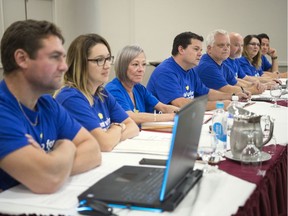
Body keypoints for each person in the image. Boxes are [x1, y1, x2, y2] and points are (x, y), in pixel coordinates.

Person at [0, 20, 101, 193]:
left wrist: (51, 164)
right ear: (22, 59)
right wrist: (67, 147)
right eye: (55, 57)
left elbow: (93, 150)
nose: (64, 66)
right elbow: (48, 180)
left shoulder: (48, 104)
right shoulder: (3, 110)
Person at [55, 34, 139, 152]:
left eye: (108, 58)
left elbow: (133, 127)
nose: (107, 65)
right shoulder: (70, 98)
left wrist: (111, 135)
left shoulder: (101, 93)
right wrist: (118, 127)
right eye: (99, 60)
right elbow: (104, 144)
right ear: (81, 64)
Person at [146, 32, 248, 111]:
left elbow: (206, 93)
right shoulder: (165, 72)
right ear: (181, 49)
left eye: (200, 50)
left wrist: (232, 96)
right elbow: (180, 103)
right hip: (160, 124)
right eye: (196, 49)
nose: (200, 54)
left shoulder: (191, 69)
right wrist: (219, 105)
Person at [105, 45, 179, 125]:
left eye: (143, 64)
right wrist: (171, 117)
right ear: (123, 66)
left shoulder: (138, 88)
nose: (141, 69)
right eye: (135, 64)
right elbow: (130, 117)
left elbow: (163, 107)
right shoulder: (113, 89)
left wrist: (181, 113)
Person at [196, 29, 263, 95]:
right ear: (209, 49)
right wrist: (252, 90)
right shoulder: (207, 66)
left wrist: (252, 85)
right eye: (221, 45)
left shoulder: (222, 64)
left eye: (228, 45)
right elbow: (225, 89)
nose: (226, 48)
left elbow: (235, 82)